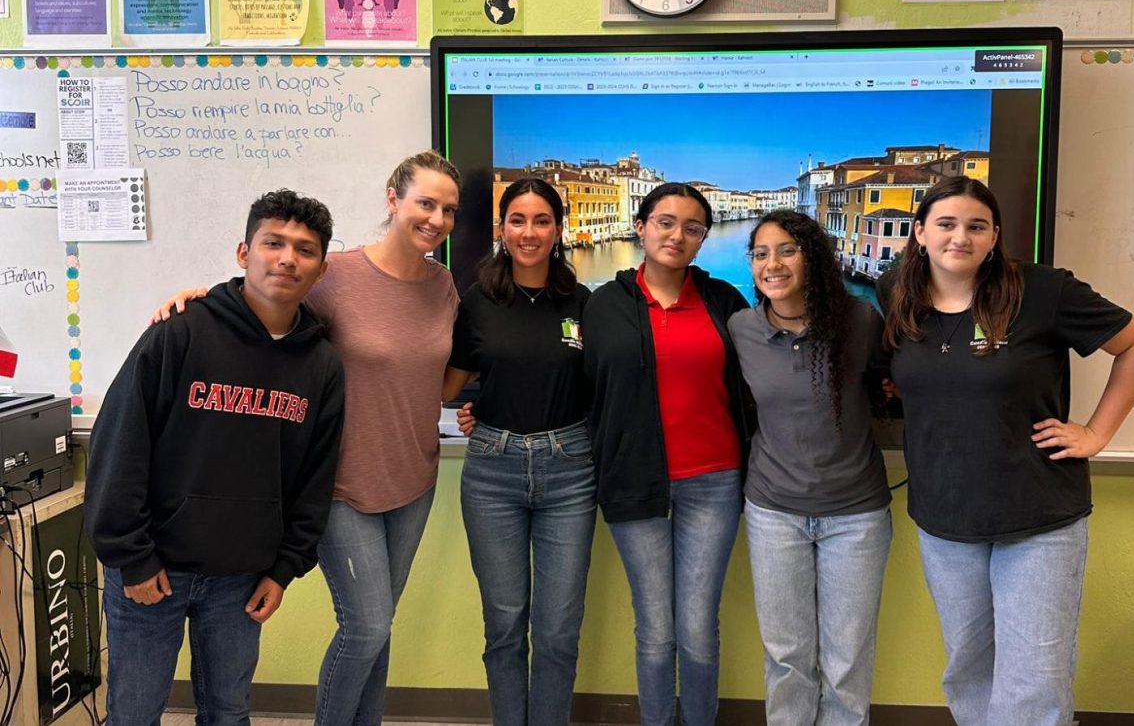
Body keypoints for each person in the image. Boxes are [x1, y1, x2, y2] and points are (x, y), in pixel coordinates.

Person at [151, 151, 462, 726]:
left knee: (380, 625)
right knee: (366, 624)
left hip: (415, 479)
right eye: (425, 203)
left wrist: (472, 408)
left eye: (448, 209)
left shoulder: (444, 287)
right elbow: (260, 298)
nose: (437, 219)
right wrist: (197, 299)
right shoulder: (332, 273)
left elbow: (442, 374)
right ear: (393, 199)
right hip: (338, 484)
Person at [880, 176, 1134, 726]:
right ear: (919, 233)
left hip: (1038, 518)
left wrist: (1098, 432)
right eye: (945, 223)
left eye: (976, 226)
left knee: (1034, 677)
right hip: (944, 518)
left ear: (994, 237)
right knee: (968, 667)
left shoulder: (1042, 291)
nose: (960, 236)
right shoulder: (898, 295)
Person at [85, 189, 346, 726]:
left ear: (320, 269)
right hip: (153, 568)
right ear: (243, 253)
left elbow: (314, 478)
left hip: (243, 578)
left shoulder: (321, 365)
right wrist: (131, 555)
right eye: (273, 243)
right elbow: (121, 444)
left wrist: (284, 568)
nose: (287, 259)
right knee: (134, 713)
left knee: (228, 712)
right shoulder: (180, 333)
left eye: (305, 249)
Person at [582, 182, 754, 726]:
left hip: (715, 482)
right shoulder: (603, 305)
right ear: (641, 226)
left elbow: (768, 372)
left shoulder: (725, 301)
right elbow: (573, 384)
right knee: (655, 629)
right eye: (665, 222)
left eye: (692, 227)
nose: (677, 234)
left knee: (698, 628)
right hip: (634, 481)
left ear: (703, 238)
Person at [728, 210, 891, 726]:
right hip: (773, 513)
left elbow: (898, 384)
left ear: (814, 258)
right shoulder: (742, 329)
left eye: (786, 250)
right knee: (787, 658)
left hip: (856, 515)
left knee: (846, 663)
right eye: (759, 254)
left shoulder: (861, 321)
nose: (770, 264)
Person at [444, 177, 594, 726]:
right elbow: (448, 385)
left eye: (541, 221)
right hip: (492, 473)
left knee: (557, 631)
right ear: (501, 228)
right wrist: (477, 404)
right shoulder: (476, 302)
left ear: (558, 229)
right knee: (504, 625)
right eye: (517, 221)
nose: (529, 233)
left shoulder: (583, 302)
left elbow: (601, 385)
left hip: (571, 471)